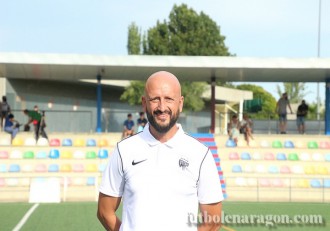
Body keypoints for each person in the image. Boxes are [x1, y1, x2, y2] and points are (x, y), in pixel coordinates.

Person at [97, 71, 223, 231]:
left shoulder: (201, 154)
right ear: (144, 103)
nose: (162, 107)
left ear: (180, 103)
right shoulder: (124, 150)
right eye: (155, 99)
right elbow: (104, 212)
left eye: (169, 99)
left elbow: (213, 222)